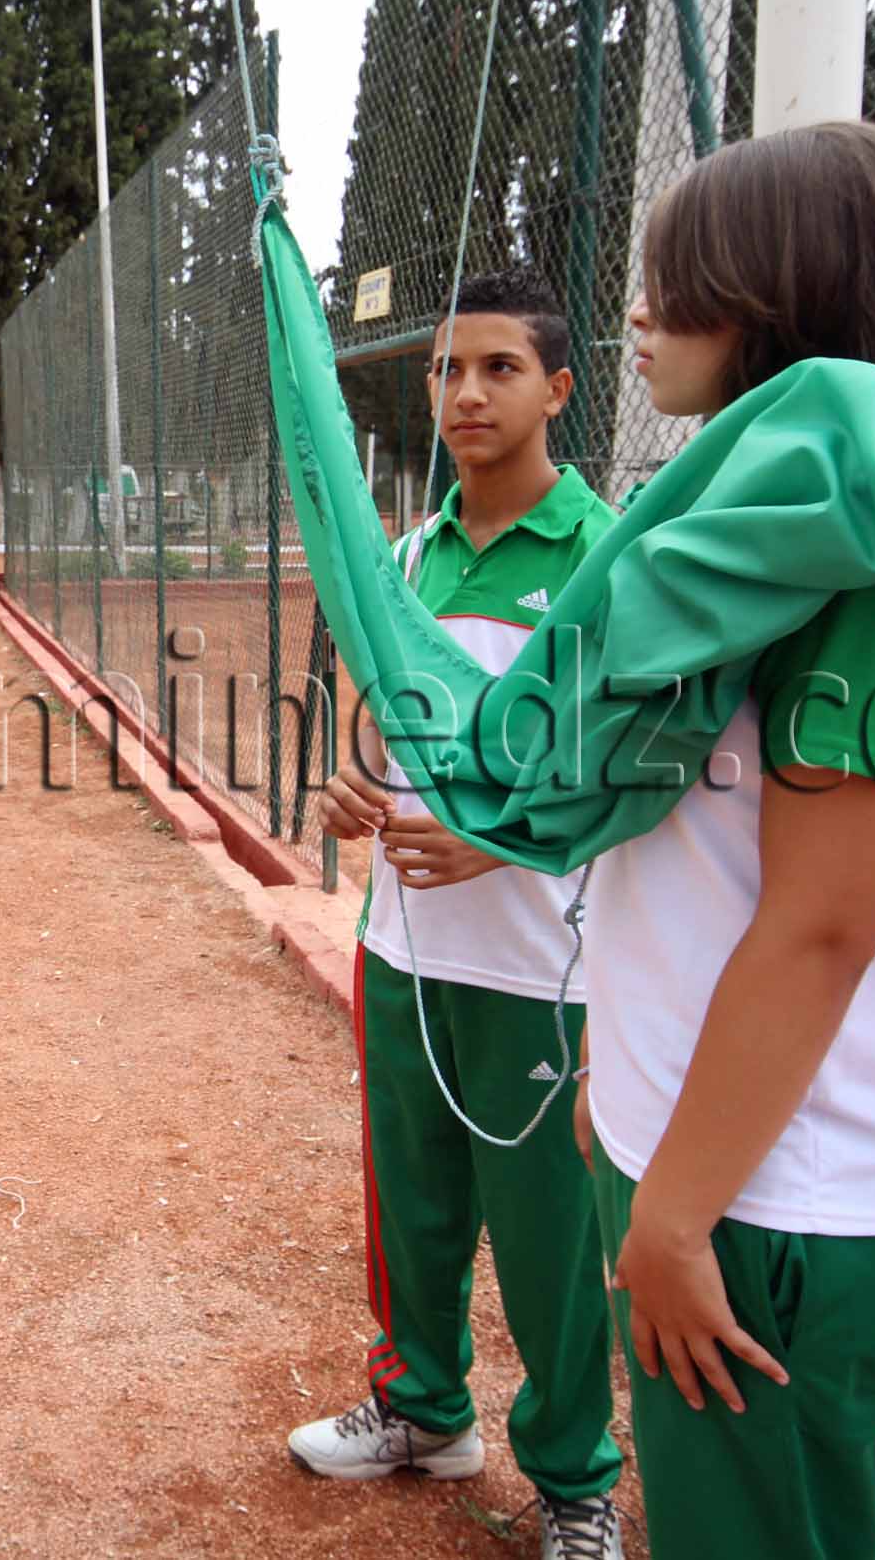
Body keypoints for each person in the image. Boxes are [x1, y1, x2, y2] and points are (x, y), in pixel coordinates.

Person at [312, 121, 875, 1560]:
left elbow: (821, 924)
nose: (640, 312)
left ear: (785, 301)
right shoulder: (767, 542)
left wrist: (680, 1204)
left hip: (780, 1199)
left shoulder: (866, 564)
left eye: (678, 281)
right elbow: (699, 863)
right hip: (727, 1158)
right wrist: (632, 1099)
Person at [302, 269, 623, 1560]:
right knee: (413, 1208)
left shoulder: (606, 557)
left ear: (557, 386)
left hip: (545, 967)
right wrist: (355, 784)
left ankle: (577, 1482)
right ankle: (425, 1408)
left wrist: (496, 845)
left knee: (551, 1241)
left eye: (498, 367)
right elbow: (389, 728)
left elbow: (628, 767)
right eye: (447, 370)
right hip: (403, 949)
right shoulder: (409, 556)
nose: (467, 392)